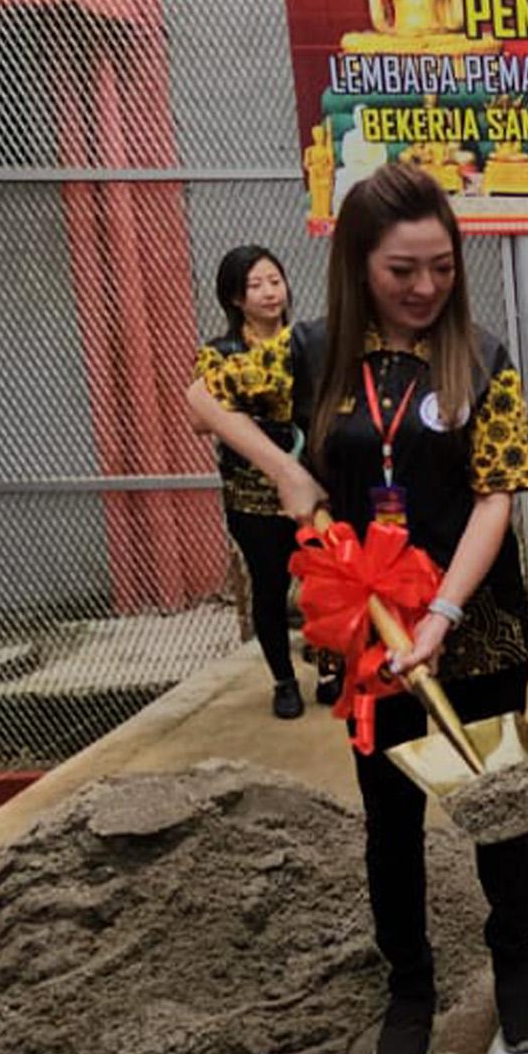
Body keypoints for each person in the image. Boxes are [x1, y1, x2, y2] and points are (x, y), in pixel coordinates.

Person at [184, 163, 528, 1054]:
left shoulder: (485, 358)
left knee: (494, 798)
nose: (426, 287)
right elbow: (201, 395)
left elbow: (496, 496)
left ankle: (515, 958)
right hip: (366, 638)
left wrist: (444, 615)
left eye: (441, 266)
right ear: (358, 265)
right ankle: (410, 983)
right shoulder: (309, 353)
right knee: (390, 819)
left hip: (473, 623)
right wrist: (285, 468)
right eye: (402, 270)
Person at [186, 245, 345, 718]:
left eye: (274, 280)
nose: (269, 292)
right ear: (235, 297)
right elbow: (200, 417)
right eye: (255, 285)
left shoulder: (308, 341)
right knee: (269, 585)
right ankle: (283, 680)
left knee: (325, 580)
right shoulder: (220, 353)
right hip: (251, 493)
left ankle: (332, 668)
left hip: (313, 485)